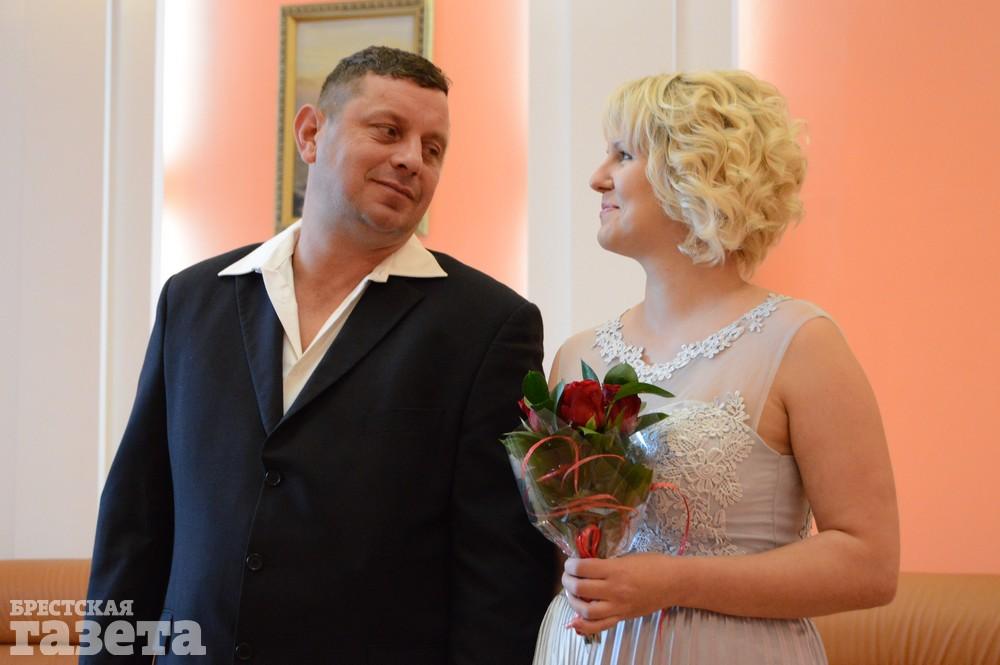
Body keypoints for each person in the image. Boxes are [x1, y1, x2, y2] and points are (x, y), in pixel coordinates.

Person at [83, 46, 554, 664]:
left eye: (433, 148)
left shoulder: (489, 326)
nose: (412, 159)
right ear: (310, 133)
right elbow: (137, 520)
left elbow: (501, 573)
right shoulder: (192, 299)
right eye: (388, 130)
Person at [532, 71, 899, 664]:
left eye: (622, 154)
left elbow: (869, 564)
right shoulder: (578, 355)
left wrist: (674, 581)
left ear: (693, 172)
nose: (597, 177)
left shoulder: (800, 342)